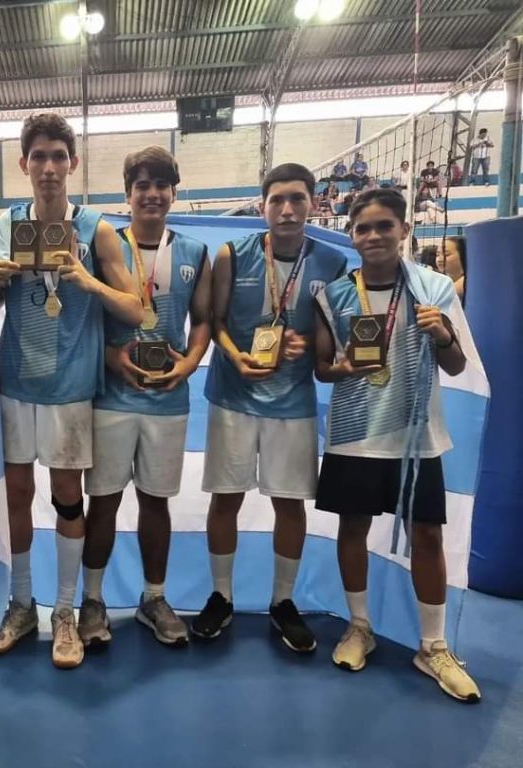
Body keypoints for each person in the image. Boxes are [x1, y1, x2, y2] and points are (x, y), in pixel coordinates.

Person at [0, 113, 143, 669]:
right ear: (24, 164)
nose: (48, 167)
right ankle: (23, 601)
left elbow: (134, 308)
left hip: (72, 385)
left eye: (58, 157)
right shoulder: (7, 226)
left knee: (66, 498)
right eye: (38, 157)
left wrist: (84, 277)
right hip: (17, 380)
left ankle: (65, 611)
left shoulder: (97, 227)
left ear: (72, 163)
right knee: (16, 495)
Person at [314, 187, 480, 702]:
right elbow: (323, 369)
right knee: (353, 530)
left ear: (404, 230)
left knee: (427, 535)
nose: (374, 236)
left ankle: (433, 645)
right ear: (352, 236)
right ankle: (358, 625)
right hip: (355, 436)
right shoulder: (334, 294)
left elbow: (456, 366)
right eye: (364, 228)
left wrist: (444, 336)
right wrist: (343, 366)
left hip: (416, 436)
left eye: (385, 226)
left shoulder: (433, 288)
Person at [191, 163, 347, 653]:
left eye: (297, 199)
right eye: (277, 199)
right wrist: (234, 354)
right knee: (226, 499)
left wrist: (309, 345)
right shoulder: (231, 255)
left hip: (293, 402)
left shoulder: (330, 264)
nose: (287, 209)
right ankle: (222, 594)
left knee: (290, 503)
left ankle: (283, 601)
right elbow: (213, 321)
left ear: (313, 203)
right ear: (262, 205)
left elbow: (329, 338)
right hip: (234, 396)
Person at [79, 146, 212, 648]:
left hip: (167, 397)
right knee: (105, 501)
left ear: (174, 193)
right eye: (142, 186)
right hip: (113, 396)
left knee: (157, 503)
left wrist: (190, 362)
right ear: (127, 194)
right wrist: (113, 358)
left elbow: (202, 320)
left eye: (162, 185)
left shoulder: (194, 252)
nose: (152, 194)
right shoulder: (103, 246)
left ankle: (154, 597)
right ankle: (92, 600)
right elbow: (87, 318)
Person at [436, 235, 467, 305]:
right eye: (437, 254)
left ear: (463, 255)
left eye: (446, 254)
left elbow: (440, 298)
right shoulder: (439, 280)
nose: (440, 259)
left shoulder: (468, 281)